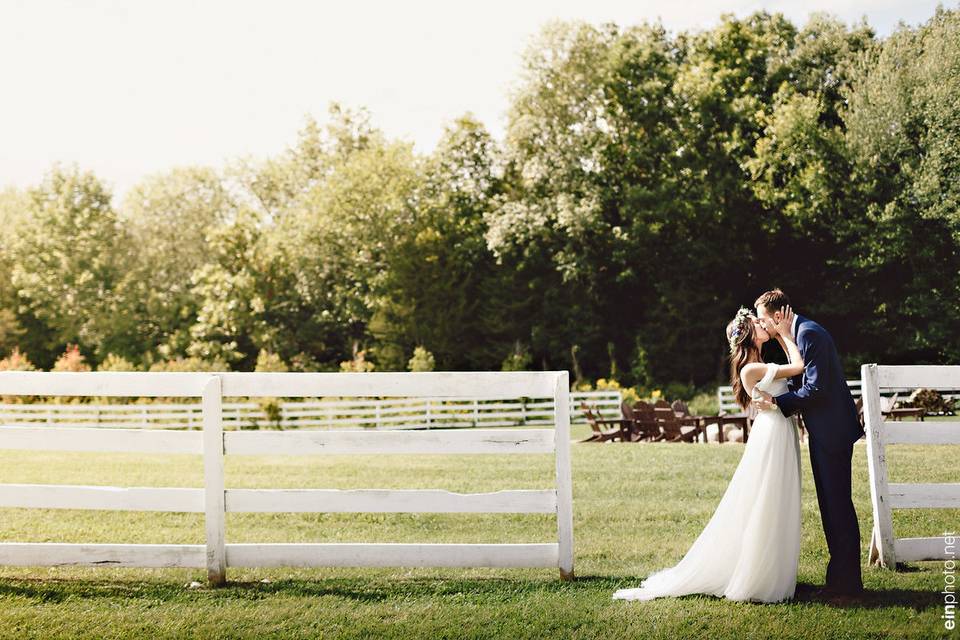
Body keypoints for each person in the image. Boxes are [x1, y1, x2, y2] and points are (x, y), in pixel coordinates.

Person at [613, 305, 803, 603]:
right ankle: (758, 576)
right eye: (756, 322)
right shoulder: (750, 369)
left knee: (774, 496)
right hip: (771, 435)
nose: (762, 322)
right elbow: (798, 366)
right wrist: (785, 334)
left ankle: (770, 569)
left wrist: (780, 336)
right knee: (766, 496)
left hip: (778, 430)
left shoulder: (760, 362)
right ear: (750, 335)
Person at [752, 289, 865, 601]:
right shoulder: (798, 333)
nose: (762, 325)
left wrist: (777, 403)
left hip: (833, 432)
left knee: (838, 506)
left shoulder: (810, 333)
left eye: (763, 319)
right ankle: (838, 581)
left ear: (776, 317)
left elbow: (816, 388)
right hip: (824, 431)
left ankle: (848, 586)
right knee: (831, 506)